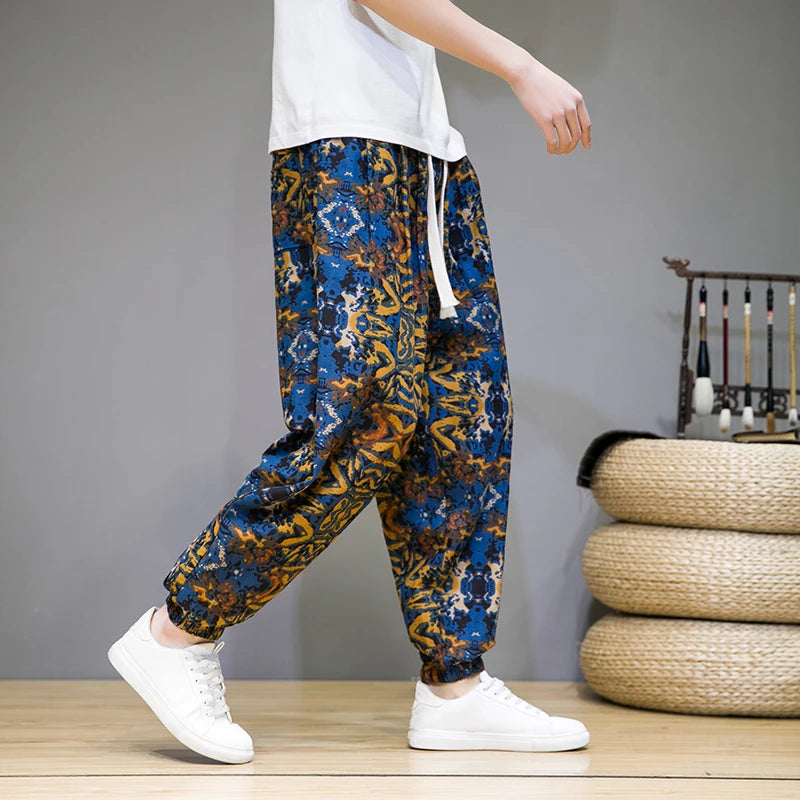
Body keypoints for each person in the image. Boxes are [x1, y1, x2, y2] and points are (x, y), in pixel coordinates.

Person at [108, 0, 592, 765]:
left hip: (428, 155)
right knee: (364, 420)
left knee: (464, 413)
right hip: (344, 150)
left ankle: (456, 685)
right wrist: (521, 65)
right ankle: (179, 629)